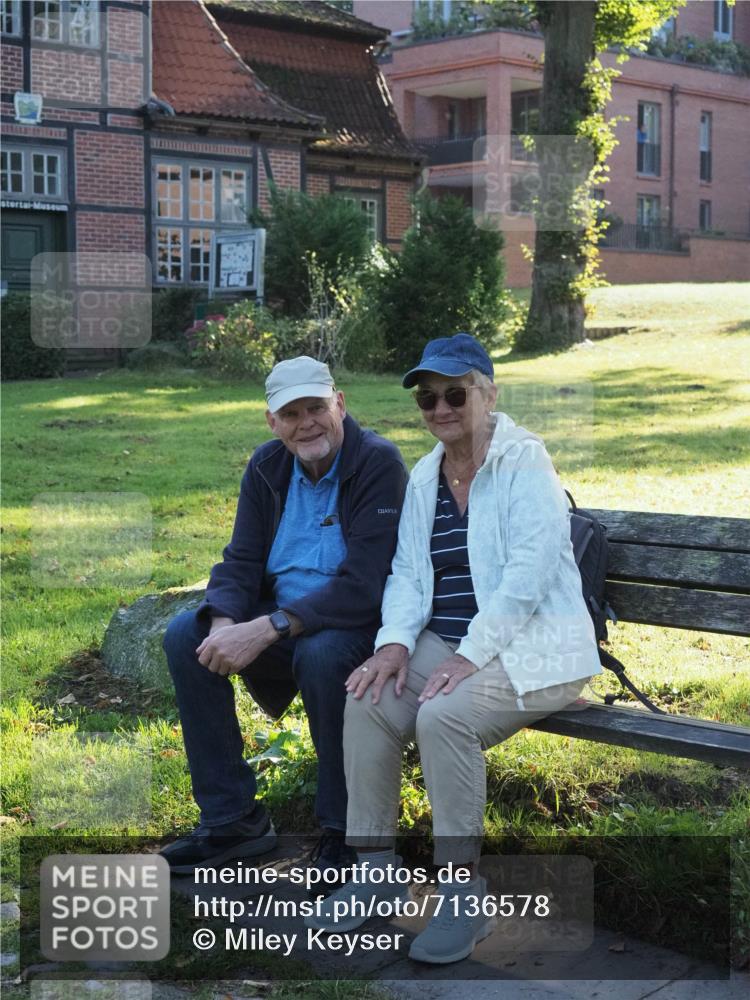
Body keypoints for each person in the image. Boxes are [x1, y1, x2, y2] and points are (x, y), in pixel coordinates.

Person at [306, 333, 602, 963]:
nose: (440, 409)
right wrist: (391, 647)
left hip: (536, 649)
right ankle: (375, 871)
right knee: (369, 697)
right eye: (427, 398)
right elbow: (409, 574)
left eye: (454, 394)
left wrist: (468, 657)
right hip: (453, 646)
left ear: (488, 393)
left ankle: (463, 895)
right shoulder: (425, 474)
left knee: (444, 718)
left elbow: (527, 578)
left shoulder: (525, 462)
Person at [161, 356, 408, 879]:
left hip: (353, 624)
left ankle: (345, 830)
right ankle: (233, 821)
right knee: (188, 633)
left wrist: (269, 627)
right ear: (272, 422)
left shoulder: (378, 463)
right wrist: (226, 623)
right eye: (290, 414)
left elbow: (364, 586)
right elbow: (241, 560)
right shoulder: (266, 466)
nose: (306, 424)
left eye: (315, 407)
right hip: (280, 619)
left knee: (323, 655)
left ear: (339, 403)